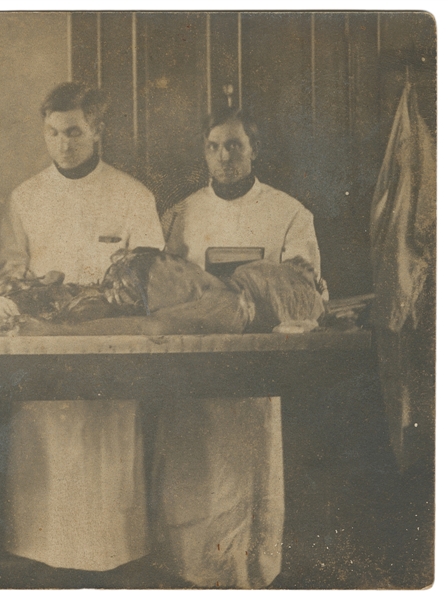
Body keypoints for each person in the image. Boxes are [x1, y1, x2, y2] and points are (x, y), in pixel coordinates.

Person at [0, 82, 165, 572]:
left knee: (103, 470)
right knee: (45, 464)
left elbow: (150, 278)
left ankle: (110, 565)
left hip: (109, 349)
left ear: (98, 130)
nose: (62, 144)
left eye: (73, 132)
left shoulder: (133, 195)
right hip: (43, 350)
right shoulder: (26, 196)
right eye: (52, 133)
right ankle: (40, 563)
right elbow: (12, 270)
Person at [156, 107, 321, 588]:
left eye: (234, 146)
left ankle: (250, 575)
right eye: (213, 146)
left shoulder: (289, 212)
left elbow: (301, 289)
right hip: (195, 364)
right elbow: (167, 287)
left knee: (249, 473)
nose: (223, 157)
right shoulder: (181, 213)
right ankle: (192, 573)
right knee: (195, 468)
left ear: (254, 150)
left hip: (255, 365)